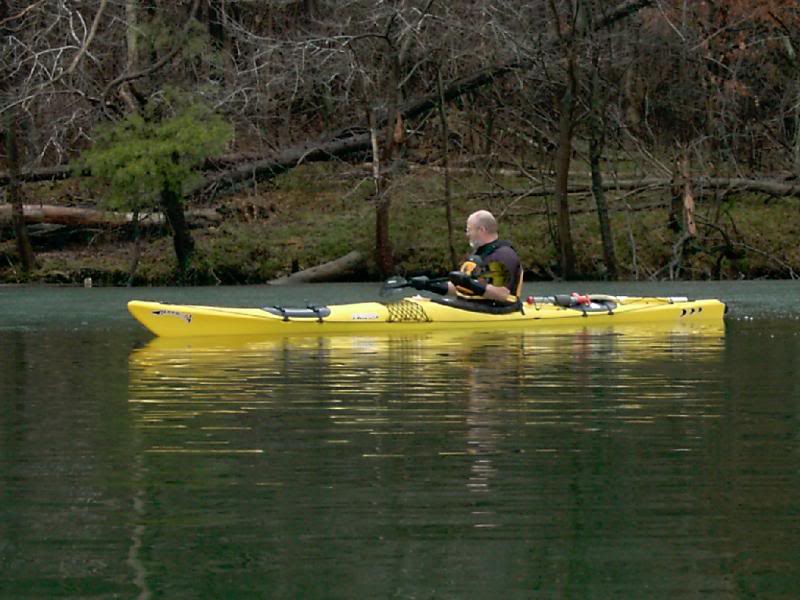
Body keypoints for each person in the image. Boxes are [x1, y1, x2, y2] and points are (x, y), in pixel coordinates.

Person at [412, 210, 523, 305]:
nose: (467, 234)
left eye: (469, 229)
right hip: (474, 307)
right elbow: (460, 288)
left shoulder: (502, 254)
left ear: (481, 230)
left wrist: (469, 283)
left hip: (498, 310)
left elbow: (501, 294)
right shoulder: (480, 254)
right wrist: (429, 285)